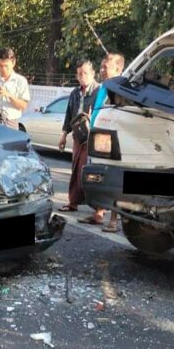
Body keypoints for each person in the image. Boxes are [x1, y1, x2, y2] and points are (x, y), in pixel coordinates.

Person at [88, 52, 126, 231]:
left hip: (111, 140)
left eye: (106, 67)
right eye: (102, 66)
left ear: (118, 69)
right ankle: (99, 213)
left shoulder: (120, 87)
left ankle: (113, 219)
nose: (102, 70)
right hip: (98, 137)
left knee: (112, 178)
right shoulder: (104, 86)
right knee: (99, 177)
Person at [58, 60, 99, 212]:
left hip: (94, 137)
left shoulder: (99, 91)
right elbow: (69, 115)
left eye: (86, 73)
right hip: (77, 136)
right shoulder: (75, 93)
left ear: (93, 74)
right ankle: (73, 202)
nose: (83, 77)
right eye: (80, 74)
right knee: (76, 169)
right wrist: (63, 135)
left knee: (91, 171)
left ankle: (98, 209)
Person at [0, 47, 30, 129]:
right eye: (0, 66)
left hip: (12, 122)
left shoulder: (20, 81)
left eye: (6, 66)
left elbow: (23, 106)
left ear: (13, 63)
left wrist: (9, 95)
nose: (3, 69)